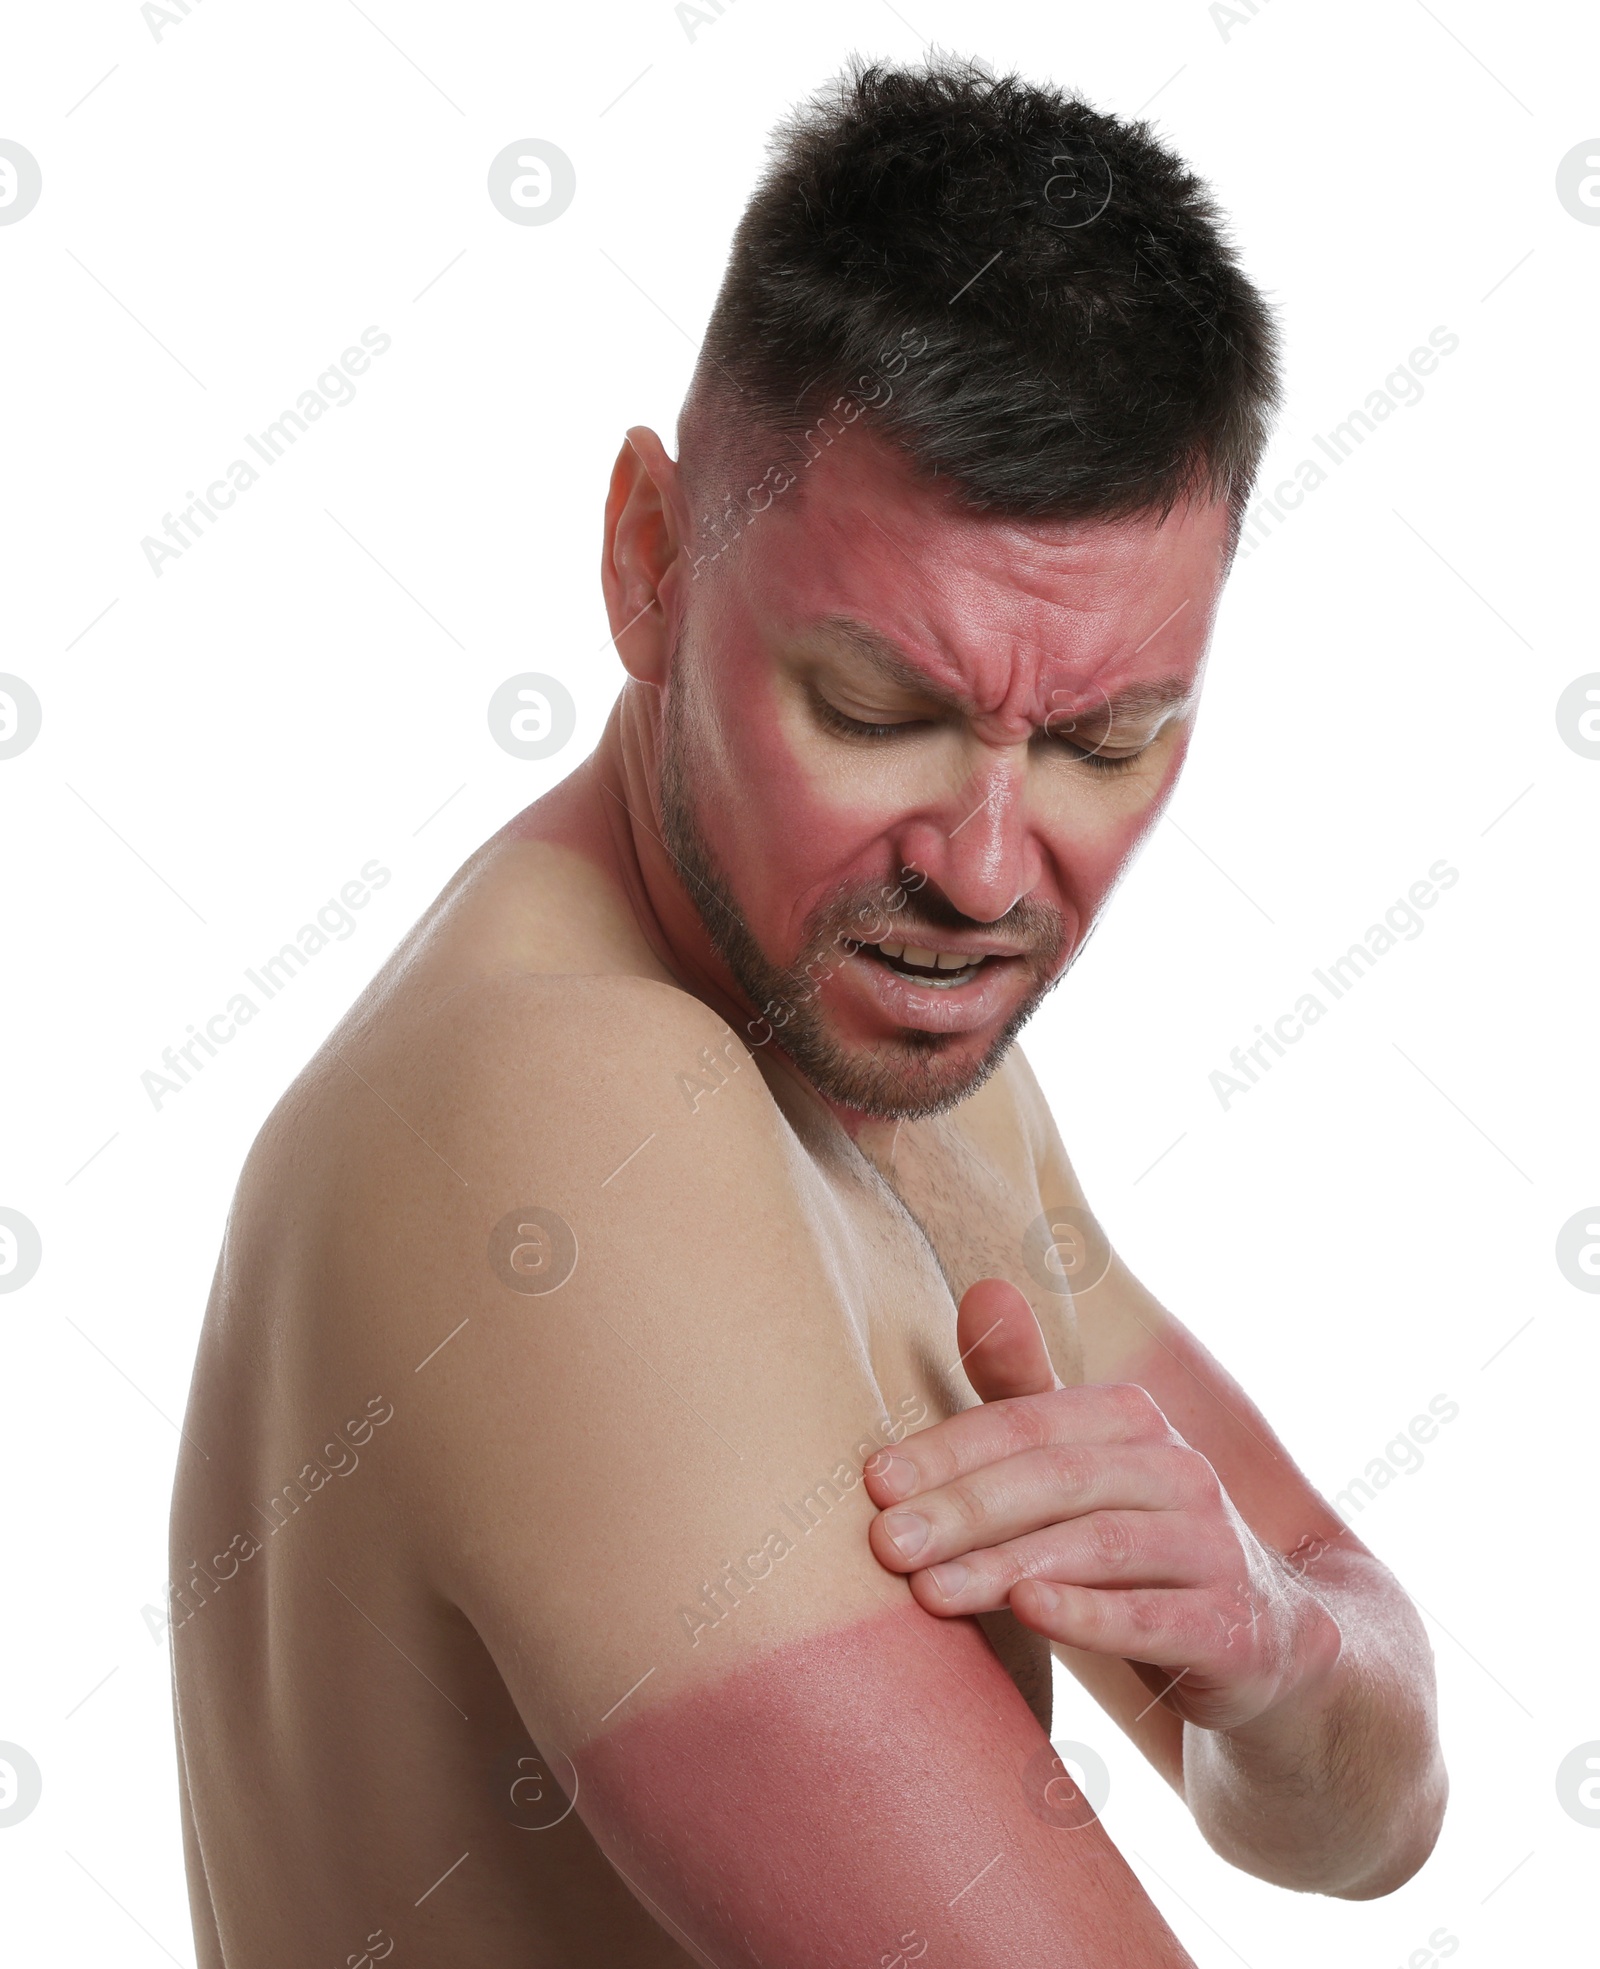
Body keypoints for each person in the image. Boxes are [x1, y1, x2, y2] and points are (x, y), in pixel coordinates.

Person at [169, 56, 1446, 1968]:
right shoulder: (565, 1118)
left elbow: (1372, 1809)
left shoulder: (902, 1081)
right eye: (874, 713)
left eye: (1108, 742)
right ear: (648, 566)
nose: (993, 872)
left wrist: (1263, 1642)